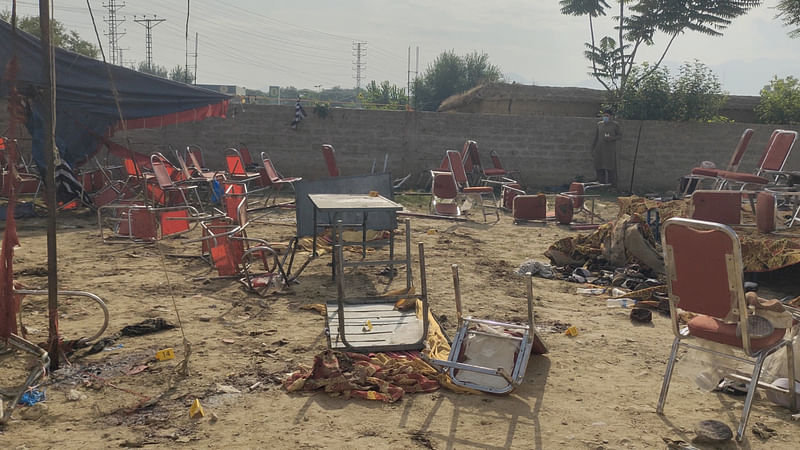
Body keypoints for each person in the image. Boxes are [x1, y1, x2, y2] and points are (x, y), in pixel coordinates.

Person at [591, 109, 621, 187]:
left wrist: (611, 138)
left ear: (611, 116)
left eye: (607, 116)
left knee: (610, 168)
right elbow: (596, 137)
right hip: (599, 150)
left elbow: (620, 136)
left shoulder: (615, 125)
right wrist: (593, 148)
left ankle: (612, 186)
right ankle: (601, 185)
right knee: (599, 167)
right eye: (604, 116)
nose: (605, 117)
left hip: (609, 151)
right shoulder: (599, 124)